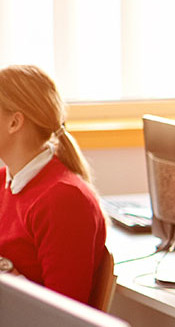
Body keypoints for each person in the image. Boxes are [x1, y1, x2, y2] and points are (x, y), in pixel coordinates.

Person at [0, 65, 107, 304]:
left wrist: (8, 275)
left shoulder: (64, 200)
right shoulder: (4, 180)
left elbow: (64, 315)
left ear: (15, 123)